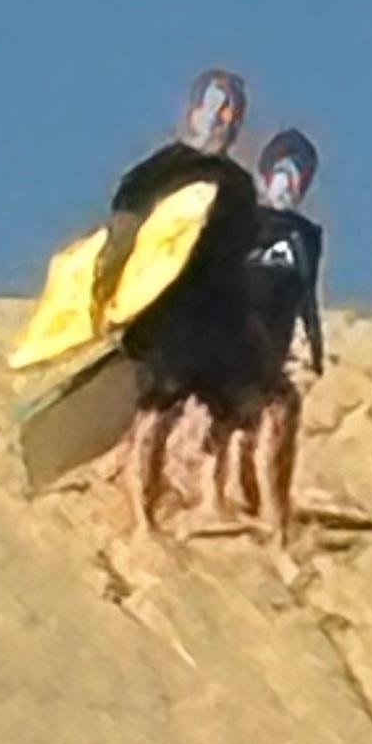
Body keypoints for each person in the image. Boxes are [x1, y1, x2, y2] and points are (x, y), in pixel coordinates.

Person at [106, 68, 274, 552]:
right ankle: (144, 516)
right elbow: (122, 237)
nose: (223, 118)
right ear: (193, 109)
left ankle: (211, 495)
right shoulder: (154, 173)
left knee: (239, 409)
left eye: (232, 112)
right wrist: (115, 302)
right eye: (216, 106)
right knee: (158, 410)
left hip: (221, 315)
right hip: (166, 312)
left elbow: (245, 253)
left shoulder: (240, 187)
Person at [219, 127, 326, 550]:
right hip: (227, 347)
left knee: (277, 418)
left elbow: (308, 293)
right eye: (283, 171)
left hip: (272, 351)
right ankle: (218, 501)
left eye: (300, 175)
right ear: (265, 176)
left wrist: (315, 347)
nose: (291, 182)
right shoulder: (239, 223)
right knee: (228, 427)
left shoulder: (305, 236)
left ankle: (273, 511)